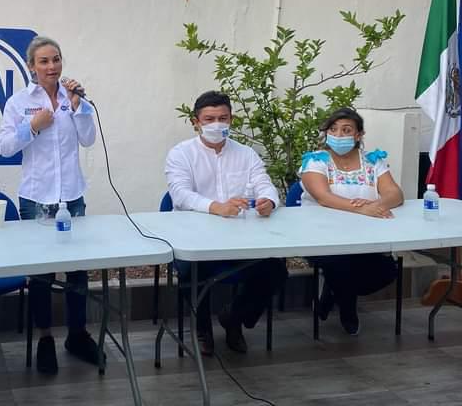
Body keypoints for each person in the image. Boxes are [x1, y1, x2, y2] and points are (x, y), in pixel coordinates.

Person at [0, 35, 100, 375]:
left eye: (56, 59)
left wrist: (79, 106)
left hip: (72, 196)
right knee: (40, 274)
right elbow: (5, 147)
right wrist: (32, 126)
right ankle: (44, 339)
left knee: (77, 270)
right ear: (31, 66)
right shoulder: (18, 102)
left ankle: (77, 335)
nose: (51, 66)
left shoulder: (73, 99)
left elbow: (88, 139)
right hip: (36, 199)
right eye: (43, 61)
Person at [165, 90, 288, 355]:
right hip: (195, 237)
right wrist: (216, 207)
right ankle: (202, 329)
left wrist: (269, 201)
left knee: (275, 270)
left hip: (241, 237)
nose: (216, 124)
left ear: (231, 119)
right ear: (196, 122)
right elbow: (180, 194)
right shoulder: (181, 154)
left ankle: (234, 318)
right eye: (209, 119)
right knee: (191, 269)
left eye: (223, 118)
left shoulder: (246, 154)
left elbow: (264, 184)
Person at [300, 107, 404, 335]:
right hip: (322, 237)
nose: (339, 135)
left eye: (346, 130)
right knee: (341, 264)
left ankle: (331, 292)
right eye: (333, 130)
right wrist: (363, 209)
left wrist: (379, 204)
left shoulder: (372, 162)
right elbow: (323, 197)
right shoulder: (316, 161)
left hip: (365, 237)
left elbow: (395, 194)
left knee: (387, 271)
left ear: (358, 135)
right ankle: (348, 310)